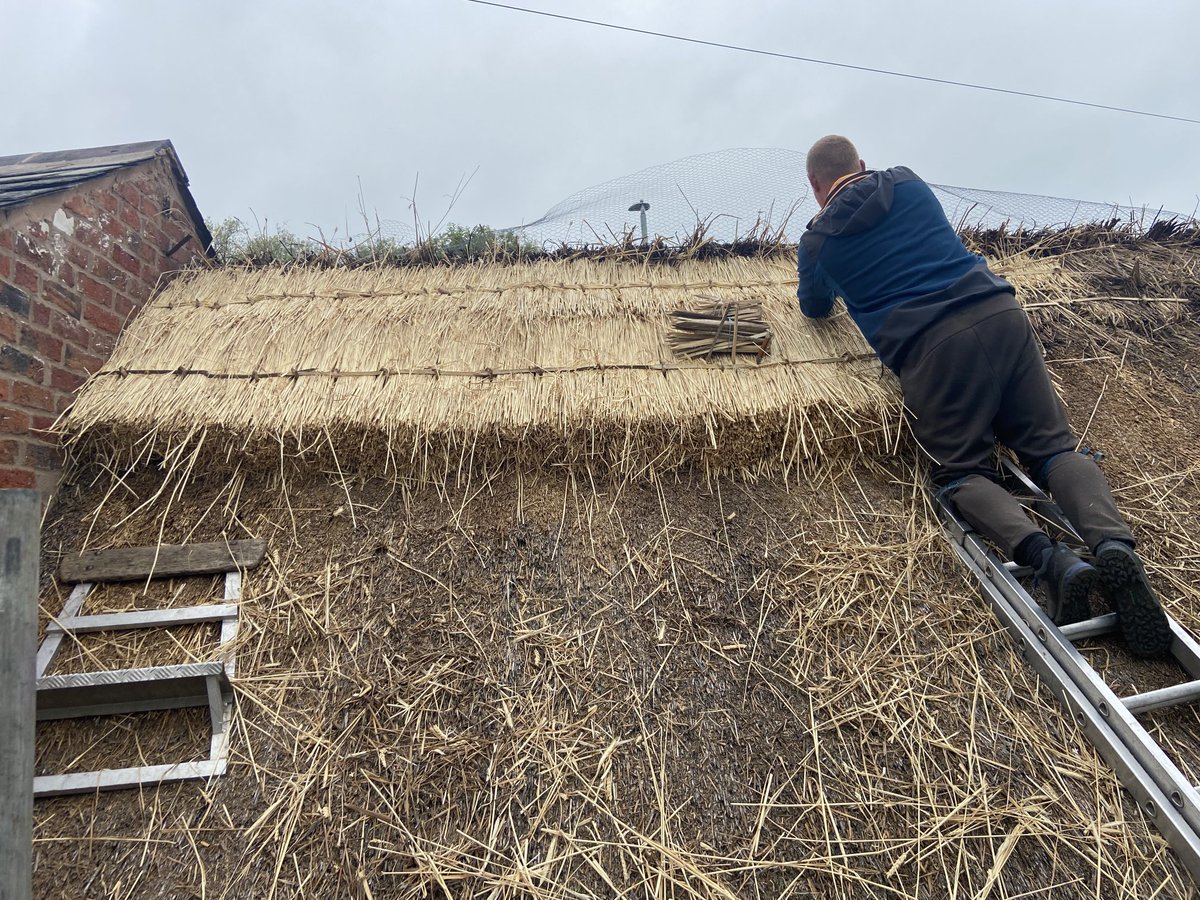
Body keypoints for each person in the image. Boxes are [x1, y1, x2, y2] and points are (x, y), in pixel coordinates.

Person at [796, 134, 1172, 658]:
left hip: (932, 350)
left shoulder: (817, 242)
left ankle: (1054, 562)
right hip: (999, 314)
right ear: (862, 163)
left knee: (963, 472)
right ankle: (1111, 545)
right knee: (1053, 450)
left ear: (815, 187)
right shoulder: (907, 182)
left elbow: (813, 306)